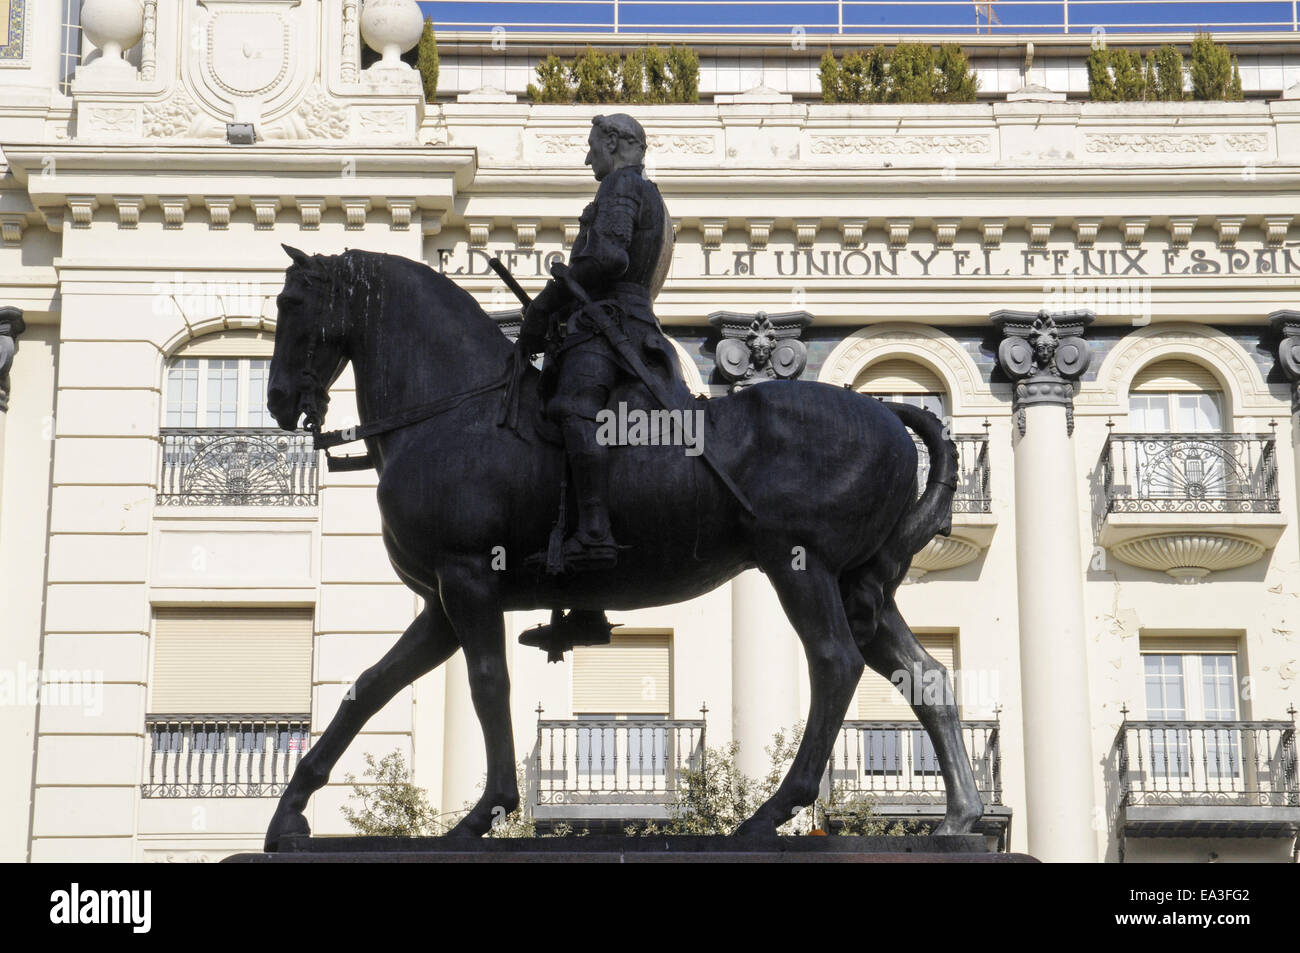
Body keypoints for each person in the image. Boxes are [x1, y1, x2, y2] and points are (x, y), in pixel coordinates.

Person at [516, 113, 683, 573]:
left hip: (612, 326)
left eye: (592, 146)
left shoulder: (622, 187)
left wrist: (546, 304)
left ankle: (592, 532)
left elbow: (609, 255)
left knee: (573, 407)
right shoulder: (653, 197)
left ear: (613, 143)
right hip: (620, 320)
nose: (588, 156)